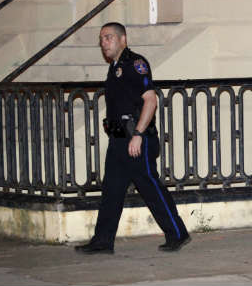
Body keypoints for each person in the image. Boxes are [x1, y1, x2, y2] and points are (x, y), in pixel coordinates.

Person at [75, 22, 190, 254]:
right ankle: (103, 241)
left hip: (136, 140)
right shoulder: (115, 67)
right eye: (101, 39)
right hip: (118, 141)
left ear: (123, 39)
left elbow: (151, 100)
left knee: (150, 188)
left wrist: (137, 134)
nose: (104, 43)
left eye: (108, 37)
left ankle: (178, 234)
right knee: (111, 191)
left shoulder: (135, 64)